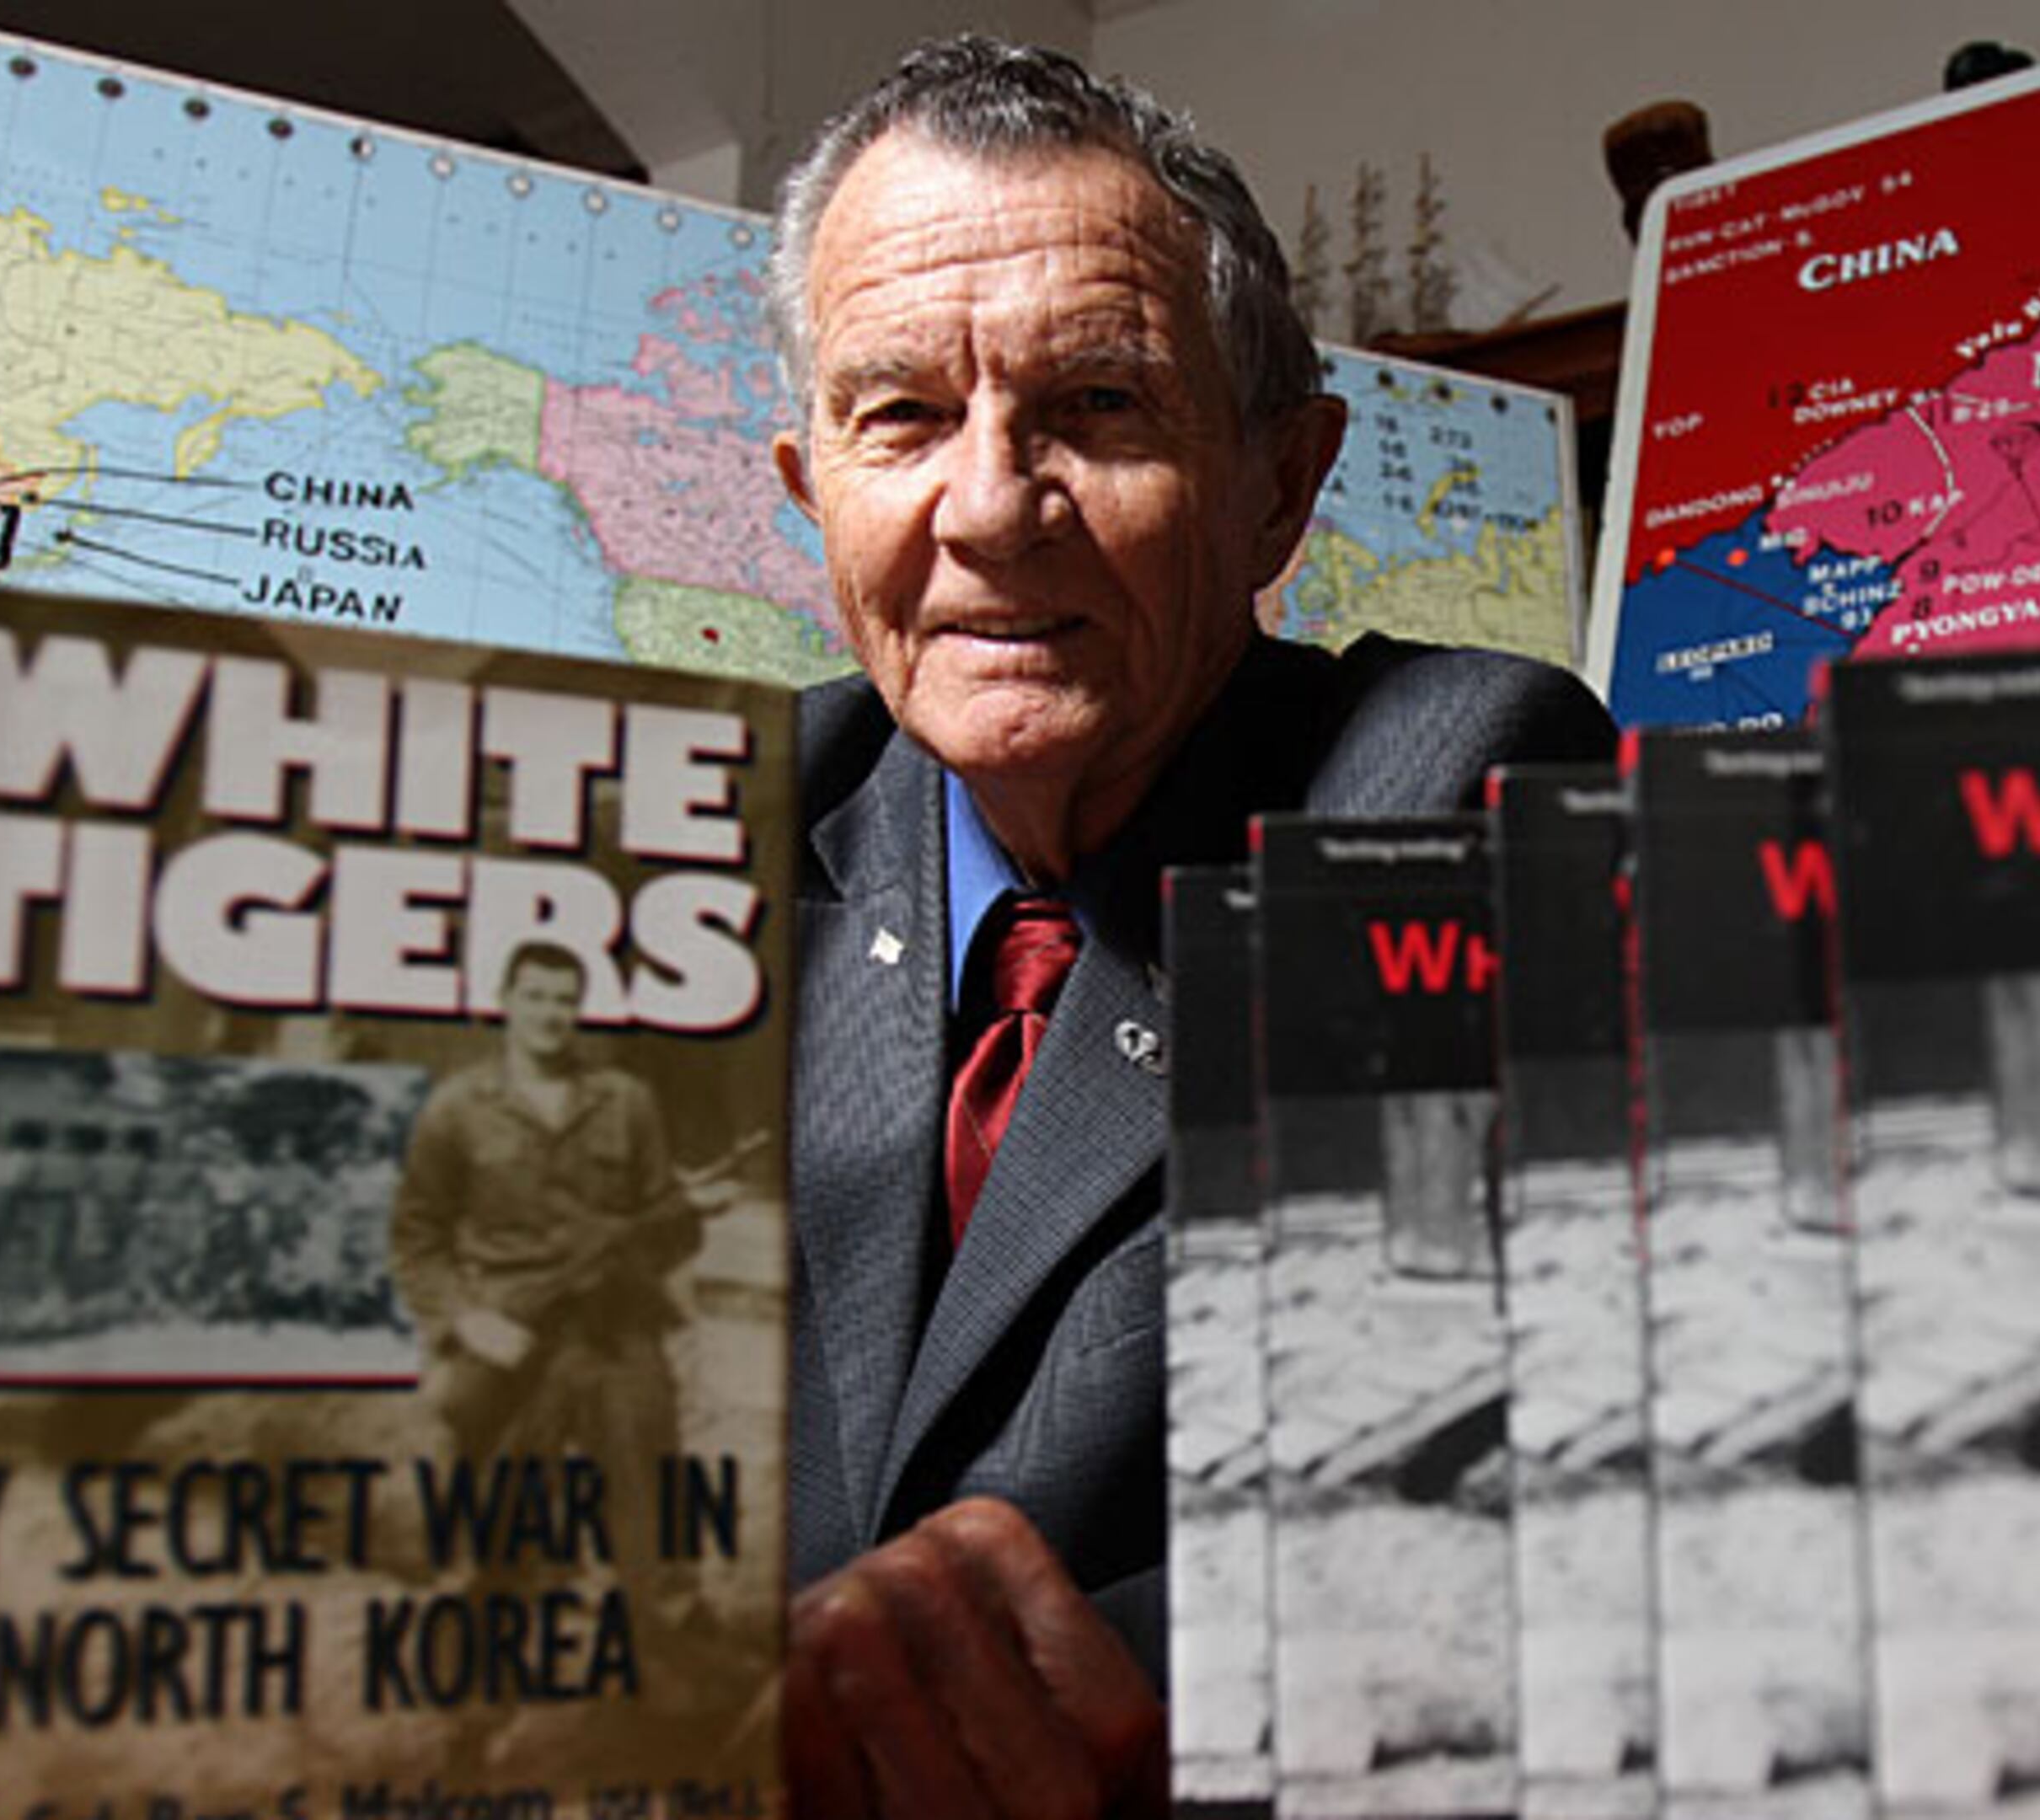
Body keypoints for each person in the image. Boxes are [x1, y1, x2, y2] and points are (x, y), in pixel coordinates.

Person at [764, 38, 1616, 1816]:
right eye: (901, 416)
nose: (987, 509)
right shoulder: (728, 830)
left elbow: (1553, 1487)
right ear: (810, 487)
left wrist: (1120, 1707)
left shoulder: (1457, 793)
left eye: (1098, 407)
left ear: (1280, 488)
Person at [391, 940, 706, 1562]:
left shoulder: (625, 1101)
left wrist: (681, 1222)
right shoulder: (457, 1109)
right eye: (534, 996)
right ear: (506, 1002)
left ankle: (670, 1640)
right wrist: (467, 1320)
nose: (549, 1014)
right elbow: (416, 1238)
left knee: (653, 1491)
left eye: (565, 999)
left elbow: (671, 1229)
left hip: (614, 1326)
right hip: (507, 1325)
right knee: (495, 1514)